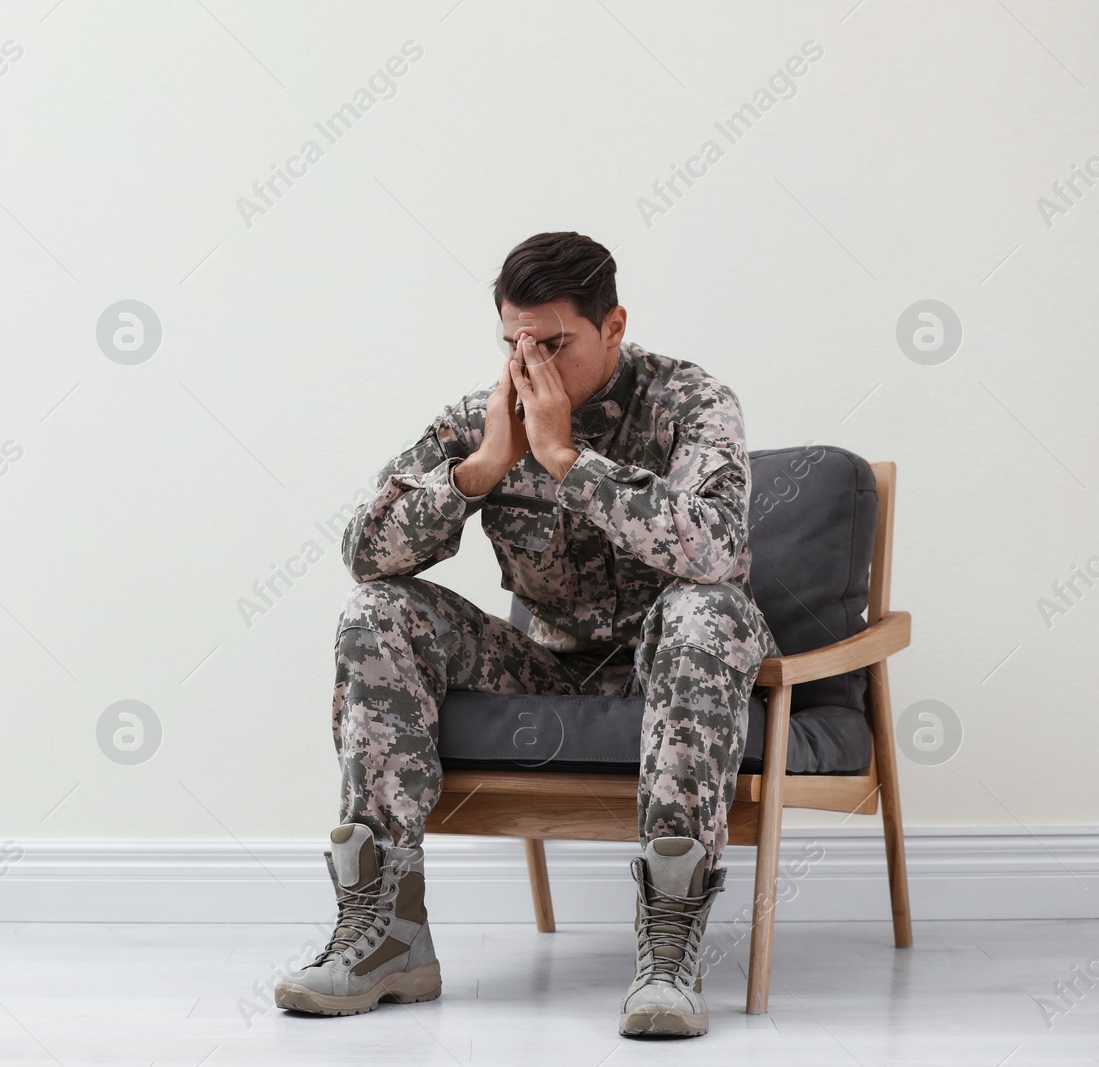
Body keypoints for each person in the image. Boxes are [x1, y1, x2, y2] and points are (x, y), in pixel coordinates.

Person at [271, 231, 778, 1037]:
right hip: (543, 664)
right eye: (514, 342)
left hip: (670, 666)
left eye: (555, 343)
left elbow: (715, 549)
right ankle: (386, 935)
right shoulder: (484, 418)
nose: (529, 363)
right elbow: (364, 554)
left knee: (705, 611)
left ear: (613, 327)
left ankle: (670, 948)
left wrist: (570, 461)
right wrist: (478, 469)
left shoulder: (691, 401)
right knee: (379, 611)